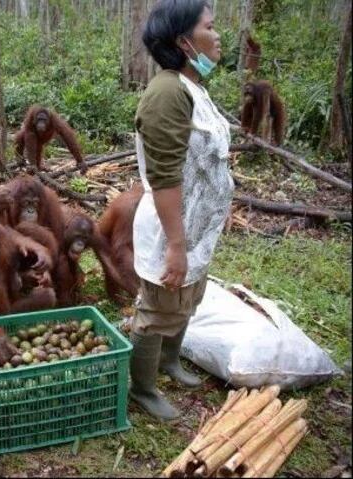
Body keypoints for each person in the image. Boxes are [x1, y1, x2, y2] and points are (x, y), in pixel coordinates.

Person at [129, 0, 233, 420]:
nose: (219, 34)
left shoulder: (195, 88)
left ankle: (170, 362)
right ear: (184, 41)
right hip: (173, 229)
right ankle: (143, 387)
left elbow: (208, 158)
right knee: (157, 309)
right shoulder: (167, 92)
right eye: (210, 27)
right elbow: (165, 174)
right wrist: (176, 244)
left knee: (189, 297)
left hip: (196, 229)